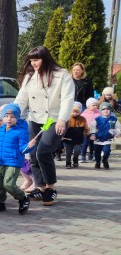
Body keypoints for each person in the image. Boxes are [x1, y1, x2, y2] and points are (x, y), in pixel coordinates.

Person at [14, 46, 75, 206]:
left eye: (36, 60)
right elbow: (21, 99)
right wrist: (11, 113)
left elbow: (67, 99)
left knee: (43, 151)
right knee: (33, 153)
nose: (33, 63)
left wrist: (62, 119)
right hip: (35, 119)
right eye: (31, 60)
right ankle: (40, 188)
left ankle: (50, 188)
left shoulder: (62, 75)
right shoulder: (30, 77)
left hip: (55, 119)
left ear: (45, 58)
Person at [0, 104, 34, 214]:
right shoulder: (1, 129)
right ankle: (1, 203)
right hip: (1, 161)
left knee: (8, 184)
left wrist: (29, 146)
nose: (9, 119)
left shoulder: (21, 131)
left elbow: (22, 149)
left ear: (17, 118)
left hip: (13, 162)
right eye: (6, 116)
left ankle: (23, 198)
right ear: (2, 117)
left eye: (13, 116)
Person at [90, 102, 120, 169]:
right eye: (103, 109)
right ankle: (98, 162)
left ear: (110, 110)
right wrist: (93, 134)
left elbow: (118, 127)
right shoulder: (97, 119)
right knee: (97, 153)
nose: (105, 111)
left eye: (107, 109)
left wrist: (117, 133)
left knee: (107, 151)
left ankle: (105, 160)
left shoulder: (114, 119)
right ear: (101, 111)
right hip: (97, 139)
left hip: (107, 139)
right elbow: (92, 128)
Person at [63, 102, 89, 168]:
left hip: (78, 138)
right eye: (73, 112)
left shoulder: (82, 119)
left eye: (77, 112)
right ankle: (68, 163)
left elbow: (86, 128)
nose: (75, 113)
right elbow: (63, 128)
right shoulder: (67, 118)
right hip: (68, 138)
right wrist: (62, 135)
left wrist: (86, 133)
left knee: (77, 151)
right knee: (68, 151)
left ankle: (75, 159)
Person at [80, 98, 100, 162]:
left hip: (94, 131)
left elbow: (100, 122)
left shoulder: (98, 114)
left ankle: (91, 155)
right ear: (88, 106)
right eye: (93, 105)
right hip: (86, 131)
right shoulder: (84, 114)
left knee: (92, 144)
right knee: (85, 143)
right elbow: (81, 122)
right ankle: (83, 156)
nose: (95, 106)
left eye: (96, 105)